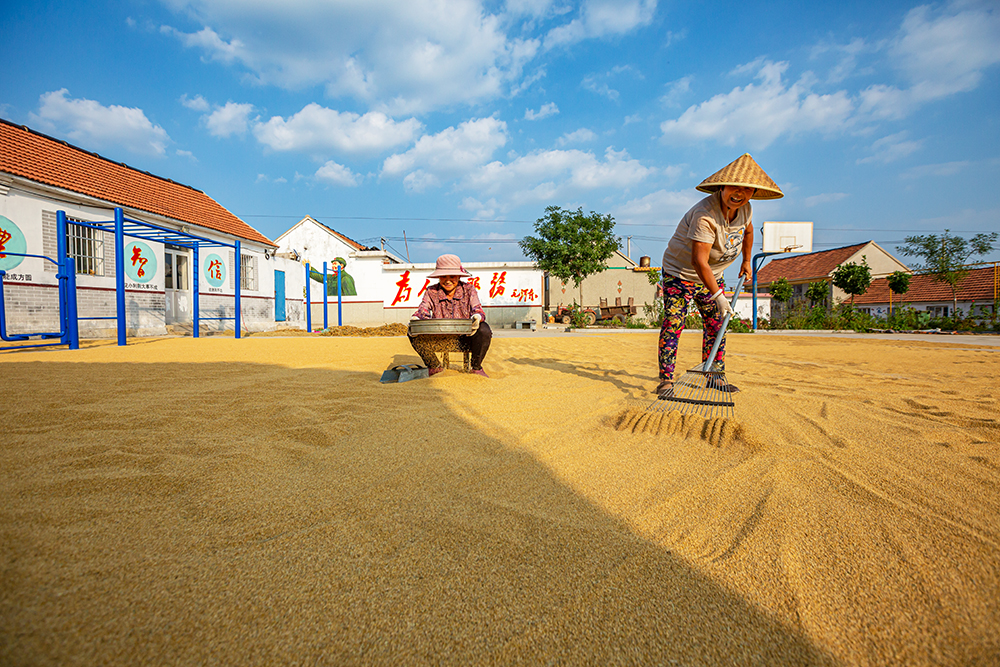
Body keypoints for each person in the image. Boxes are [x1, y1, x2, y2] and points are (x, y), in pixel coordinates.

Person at [656, 153, 783, 398]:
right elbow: (698, 261)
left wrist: (746, 260)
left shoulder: (745, 209)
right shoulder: (705, 215)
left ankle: (714, 375)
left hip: (713, 274)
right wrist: (719, 296)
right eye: (735, 187)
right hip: (680, 273)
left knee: (717, 324)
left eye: (746, 189)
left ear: (753, 193)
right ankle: (666, 381)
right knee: (674, 324)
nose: (739, 193)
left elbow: (748, 232)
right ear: (722, 186)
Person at [408, 254, 492, 377]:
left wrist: (477, 317)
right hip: (439, 338)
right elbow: (423, 309)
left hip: (465, 339)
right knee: (412, 330)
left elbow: (477, 309)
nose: (447, 281)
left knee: (484, 329)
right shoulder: (431, 291)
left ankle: (476, 367)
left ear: (458, 276)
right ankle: (434, 366)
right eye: (443, 277)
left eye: (452, 276)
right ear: (438, 277)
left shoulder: (469, 289)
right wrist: (417, 318)